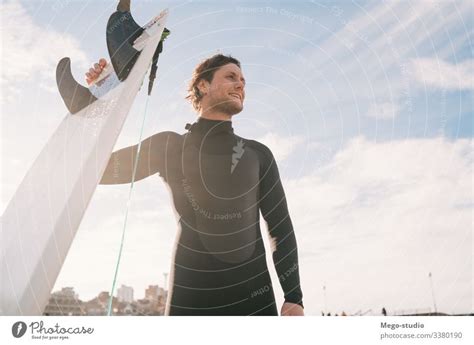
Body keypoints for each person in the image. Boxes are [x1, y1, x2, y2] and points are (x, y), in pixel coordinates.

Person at [90, 54, 304, 316]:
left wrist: (294, 295)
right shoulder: (169, 147)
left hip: (254, 301)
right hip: (191, 299)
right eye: (231, 77)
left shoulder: (258, 154)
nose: (241, 85)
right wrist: (102, 94)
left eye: (243, 81)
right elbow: (97, 170)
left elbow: (280, 227)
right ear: (203, 85)